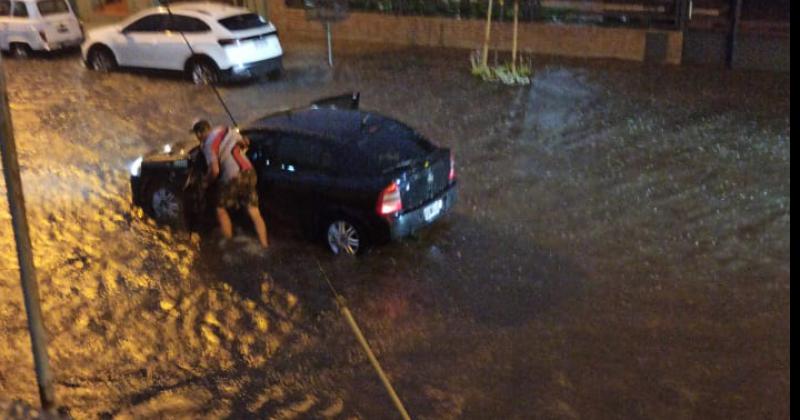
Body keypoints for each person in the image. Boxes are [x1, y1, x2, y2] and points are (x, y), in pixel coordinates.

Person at [191, 118, 268, 249]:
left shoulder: (209, 144)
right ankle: (264, 245)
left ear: (199, 133)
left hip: (233, 177)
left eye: (197, 135)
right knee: (254, 211)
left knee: (220, 208)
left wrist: (205, 182)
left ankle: (228, 243)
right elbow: (245, 143)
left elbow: (214, 170)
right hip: (249, 172)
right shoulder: (227, 130)